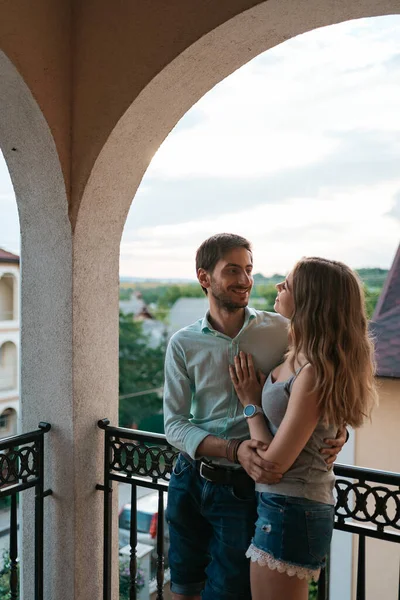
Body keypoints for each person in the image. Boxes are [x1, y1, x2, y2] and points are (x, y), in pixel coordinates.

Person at [164, 234, 347, 600]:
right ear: (204, 277)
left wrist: (338, 428)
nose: (246, 280)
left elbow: (323, 371)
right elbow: (173, 423)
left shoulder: (281, 330)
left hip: (244, 488)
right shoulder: (182, 344)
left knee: (228, 591)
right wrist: (233, 449)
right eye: (233, 270)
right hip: (188, 479)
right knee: (182, 585)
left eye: (249, 269)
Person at [229, 257, 378, 600]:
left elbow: (272, 467)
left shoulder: (312, 371)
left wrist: (250, 403)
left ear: (310, 301)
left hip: (292, 510)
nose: (279, 287)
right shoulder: (299, 353)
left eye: (288, 284)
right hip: (284, 508)